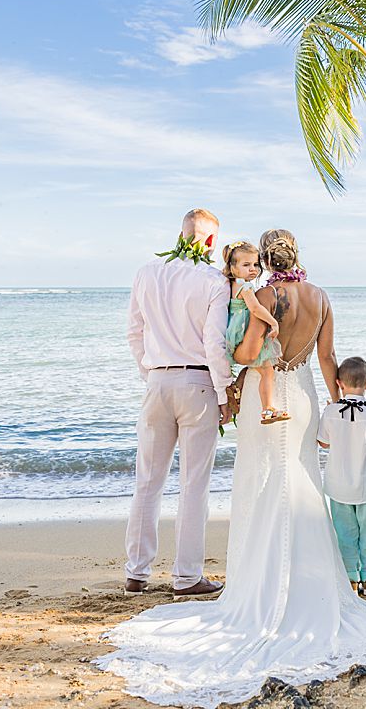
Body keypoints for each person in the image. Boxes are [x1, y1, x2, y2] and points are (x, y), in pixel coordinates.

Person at [96, 228, 366, 709]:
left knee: (260, 484)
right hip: (303, 395)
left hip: (263, 400)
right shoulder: (321, 297)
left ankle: (258, 584)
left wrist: (243, 366)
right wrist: (330, 403)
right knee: (300, 479)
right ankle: (312, 583)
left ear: (264, 258)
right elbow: (327, 357)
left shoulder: (258, 294)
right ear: (298, 255)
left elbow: (245, 354)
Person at [122, 208, 233, 601]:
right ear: (208, 242)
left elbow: (135, 332)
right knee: (193, 485)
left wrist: (149, 373)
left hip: (157, 382)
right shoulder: (215, 281)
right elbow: (214, 344)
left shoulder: (146, 273)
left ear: (181, 234)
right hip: (198, 381)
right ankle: (187, 576)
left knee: (148, 482)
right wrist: (226, 392)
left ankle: (136, 573)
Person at [317, 356, 366, 597]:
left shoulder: (330, 412)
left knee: (345, 534)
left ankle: (351, 579)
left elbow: (323, 443)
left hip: (338, 487)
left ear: (339, 384)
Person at [221, 240, 288, 424]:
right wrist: (273, 322)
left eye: (256, 264)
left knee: (253, 367)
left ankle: (235, 390)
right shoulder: (246, 287)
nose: (253, 269)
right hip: (243, 331)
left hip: (233, 332)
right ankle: (268, 408)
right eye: (246, 265)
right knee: (267, 370)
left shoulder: (232, 284)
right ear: (233, 268)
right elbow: (256, 309)